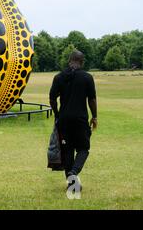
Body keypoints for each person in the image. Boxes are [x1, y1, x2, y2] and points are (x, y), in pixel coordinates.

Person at [49, 50, 98, 191]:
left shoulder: (58, 77)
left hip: (64, 120)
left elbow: (52, 99)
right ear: (82, 62)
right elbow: (92, 99)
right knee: (83, 148)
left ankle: (71, 183)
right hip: (80, 120)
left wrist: (57, 114)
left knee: (68, 151)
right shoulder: (87, 77)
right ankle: (74, 172)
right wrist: (94, 116)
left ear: (69, 60)